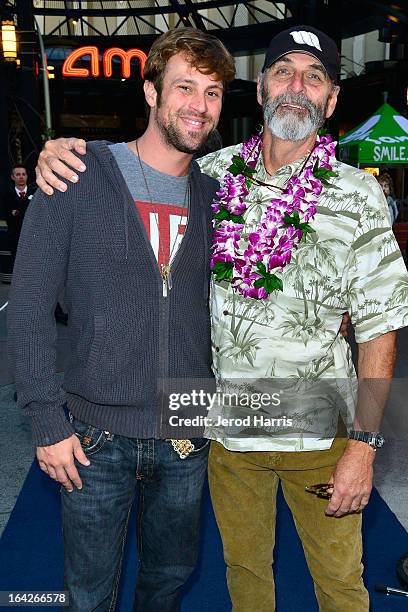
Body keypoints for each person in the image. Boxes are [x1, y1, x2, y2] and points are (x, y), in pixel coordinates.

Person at [34, 25, 408, 612]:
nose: (297, 88)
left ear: (332, 100)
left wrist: (364, 444)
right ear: (260, 90)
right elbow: (140, 170)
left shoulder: (357, 193)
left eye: (315, 77)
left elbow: (379, 327)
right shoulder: (217, 175)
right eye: (283, 72)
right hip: (226, 430)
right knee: (245, 576)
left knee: (339, 582)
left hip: (321, 429)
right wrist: (56, 151)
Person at [8, 28, 235, 612]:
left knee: (168, 583)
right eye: (184, 87)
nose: (199, 105)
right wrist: (44, 420)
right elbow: (29, 304)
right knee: (89, 595)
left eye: (212, 93)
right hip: (92, 436)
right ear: (151, 92)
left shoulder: (217, 198)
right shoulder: (78, 174)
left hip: (184, 436)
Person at [4, 165, 36, 260]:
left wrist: (18, 212)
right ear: (12, 177)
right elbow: (7, 215)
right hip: (15, 240)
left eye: (23, 174)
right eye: (18, 174)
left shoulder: (35, 193)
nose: (21, 177)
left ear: (27, 176)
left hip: (33, 239)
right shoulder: (7, 196)